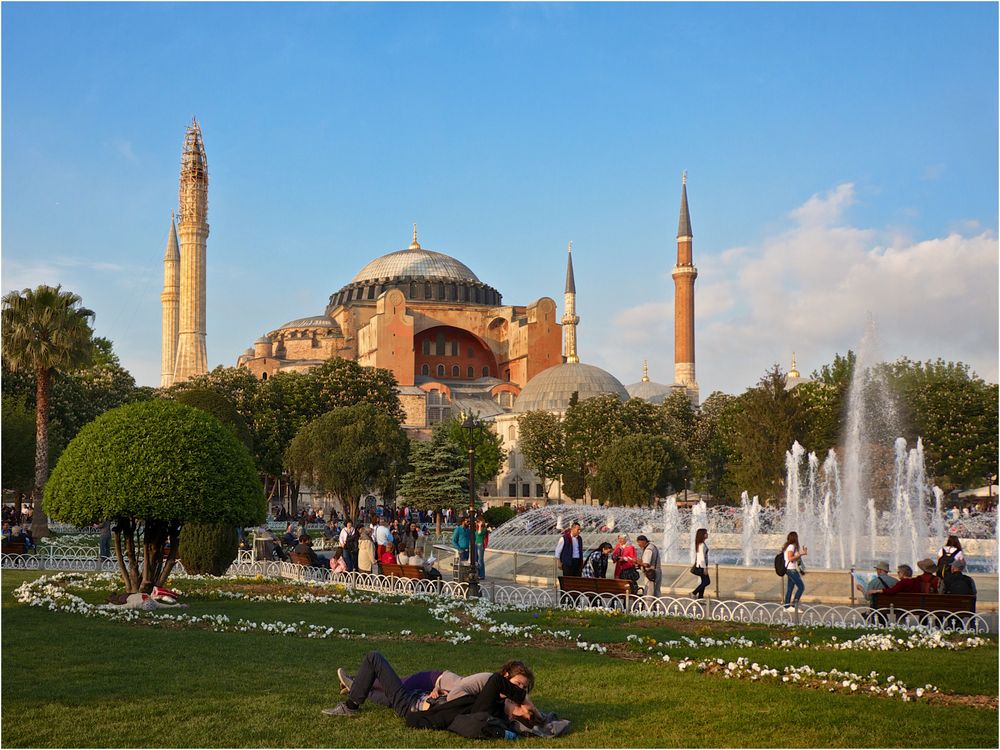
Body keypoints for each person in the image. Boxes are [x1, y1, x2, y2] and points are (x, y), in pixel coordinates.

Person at [323, 650, 532, 727]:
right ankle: (358, 689)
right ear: (507, 677)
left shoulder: (496, 703)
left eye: (524, 687)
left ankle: (351, 706)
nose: (520, 689)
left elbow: (461, 700)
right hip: (420, 697)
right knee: (383, 697)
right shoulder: (491, 691)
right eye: (518, 684)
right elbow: (461, 698)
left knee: (374, 658)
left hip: (412, 705)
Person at [782, 531, 808, 611]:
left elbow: (794, 557)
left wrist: (802, 553)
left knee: (790, 588)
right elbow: (790, 558)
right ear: (795, 538)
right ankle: (793, 606)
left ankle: (786, 607)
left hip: (790, 569)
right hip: (791, 570)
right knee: (801, 587)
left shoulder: (789, 546)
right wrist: (799, 554)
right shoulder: (791, 547)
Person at [690, 528, 711, 599]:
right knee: (707, 582)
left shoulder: (701, 544)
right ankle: (694, 592)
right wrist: (705, 568)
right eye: (706, 533)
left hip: (701, 565)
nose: (707, 534)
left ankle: (700, 598)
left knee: (704, 581)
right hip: (701, 566)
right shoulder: (701, 545)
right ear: (703, 535)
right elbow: (701, 557)